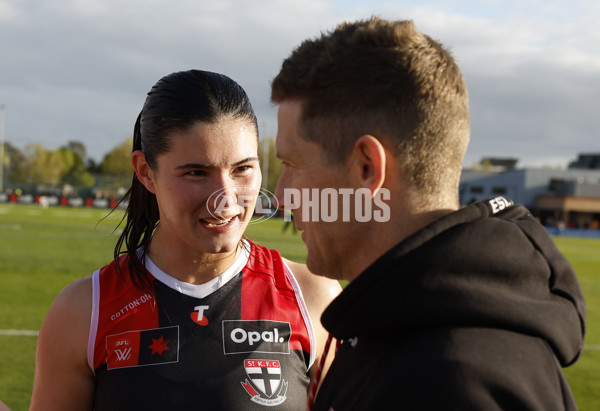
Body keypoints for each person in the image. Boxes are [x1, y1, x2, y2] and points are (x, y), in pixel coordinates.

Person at [271, 17, 586, 410]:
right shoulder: (389, 327)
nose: (282, 197)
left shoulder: (455, 383)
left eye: (292, 163)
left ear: (367, 167)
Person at [30, 70, 341, 410]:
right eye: (196, 173)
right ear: (146, 172)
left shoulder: (312, 297)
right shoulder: (82, 312)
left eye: (242, 169)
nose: (226, 198)